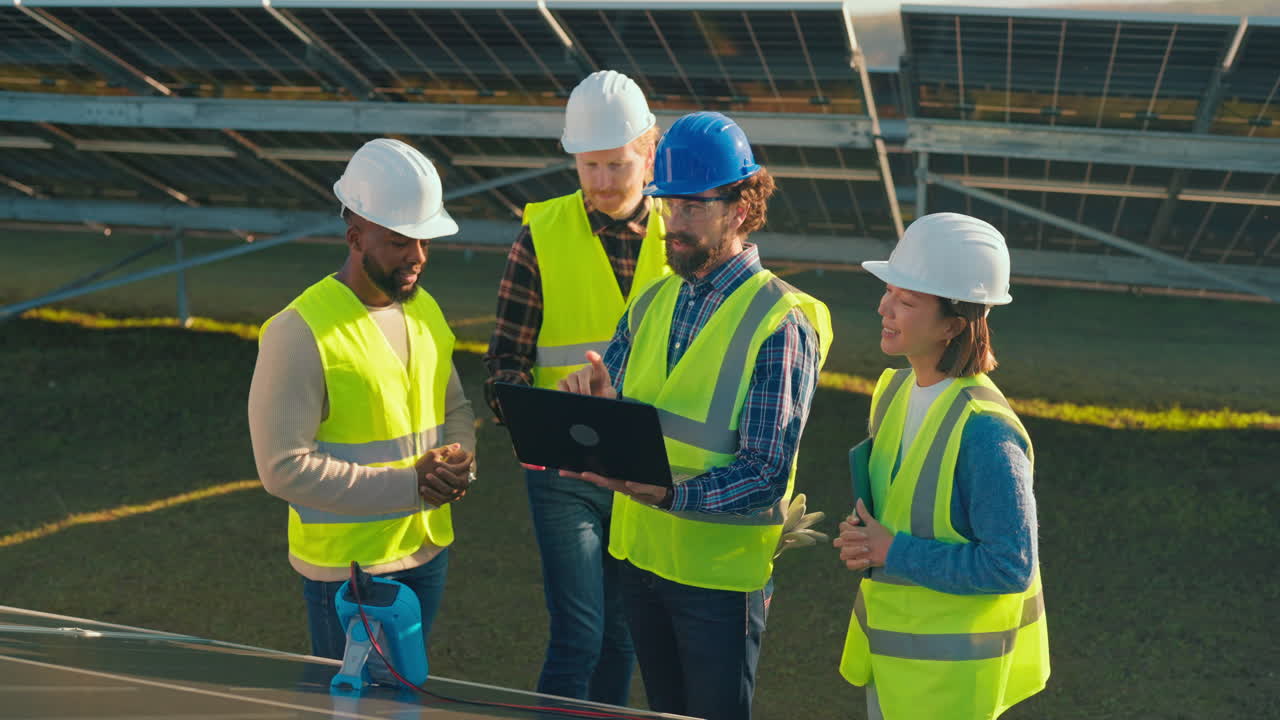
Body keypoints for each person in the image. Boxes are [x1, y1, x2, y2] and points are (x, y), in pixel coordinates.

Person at [557, 111, 832, 720]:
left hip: (719, 580)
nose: (672, 224)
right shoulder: (653, 300)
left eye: (691, 208)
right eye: (668, 206)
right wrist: (597, 408)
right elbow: (630, 419)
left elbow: (763, 472)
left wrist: (668, 493)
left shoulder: (780, 322)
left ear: (739, 208)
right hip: (642, 560)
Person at [249, 138, 476, 662]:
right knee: (357, 708)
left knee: (404, 699)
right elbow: (281, 469)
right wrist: (410, 484)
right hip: (350, 576)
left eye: (424, 240)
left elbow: (455, 409)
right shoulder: (297, 332)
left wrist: (460, 462)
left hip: (425, 550)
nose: (417, 256)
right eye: (400, 241)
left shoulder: (425, 310)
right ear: (355, 236)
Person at [482, 70, 667, 704]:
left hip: (646, 469)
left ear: (649, 151)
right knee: (580, 637)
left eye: (617, 165)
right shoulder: (541, 233)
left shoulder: (686, 237)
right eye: (589, 167)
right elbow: (503, 362)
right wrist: (540, 407)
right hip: (563, 471)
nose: (603, 183)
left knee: (622, 638)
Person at [833, 213, 1050, 719]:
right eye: (889, 291)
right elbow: (904, 510)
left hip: (955, 688)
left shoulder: (987, 430)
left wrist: (893, 550)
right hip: (891, 665)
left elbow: (1011, 565)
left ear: (954, 323)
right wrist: (866, 538)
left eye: (906, 301)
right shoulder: (891, 393)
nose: (884, 308)